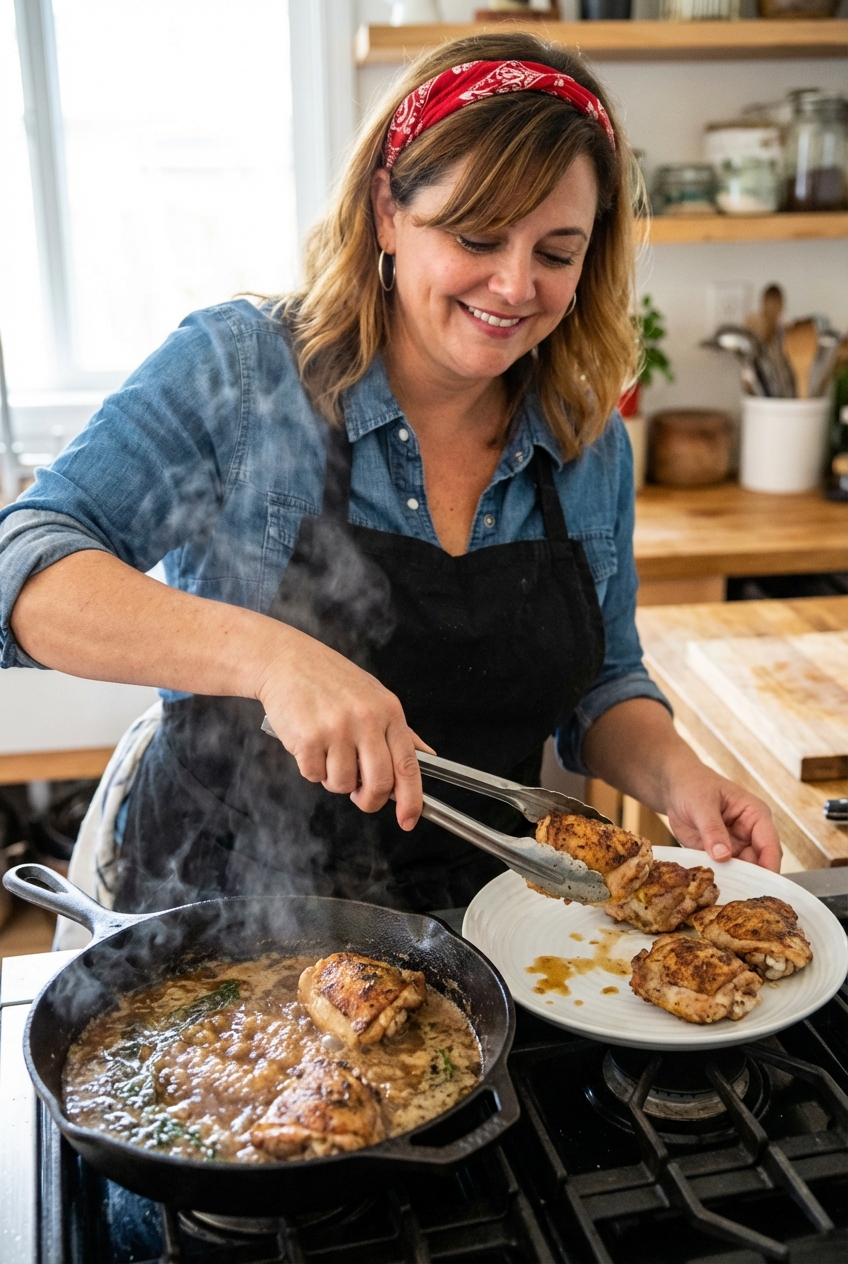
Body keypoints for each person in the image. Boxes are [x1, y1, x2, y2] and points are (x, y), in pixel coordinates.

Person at [0, 33, 781, 917]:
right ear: (386, 209)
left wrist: (681, 778)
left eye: (557, 252)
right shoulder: (243, 373)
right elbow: (20, 564)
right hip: (215, 918)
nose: (516, 285)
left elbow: (605, 685)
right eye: (476, 235)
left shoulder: (585, 439)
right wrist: (273, 658)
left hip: (484, 925)